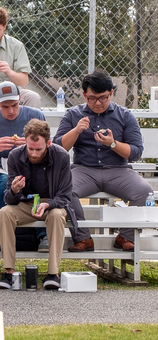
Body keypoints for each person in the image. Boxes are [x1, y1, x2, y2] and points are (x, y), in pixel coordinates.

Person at [53, 69, 152, 252]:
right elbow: (57, 149)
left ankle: (125, 237)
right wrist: (76, 131)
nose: (97, 103)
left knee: (144, 190)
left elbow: (136, 152)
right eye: (92, 98)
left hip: (118, 169)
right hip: (84, 169)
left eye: (103, 98)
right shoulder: (73, 115)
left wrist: (113, 144)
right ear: (84, 95)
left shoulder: (124, 115)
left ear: (111, 94)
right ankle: (83, 238)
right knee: (64, 189)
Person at [0, 119, 76, 291]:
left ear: (48, 143)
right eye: (30, 148)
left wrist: (48, 205)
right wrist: (15, 191)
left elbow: (65, 196)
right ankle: (9, 273)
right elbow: (9, 199)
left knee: (56, 216)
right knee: (4, 213)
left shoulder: (61, 156)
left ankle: (53, 274)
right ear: (25, 141)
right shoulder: (15, 155)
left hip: (52, 203)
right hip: (26, 203)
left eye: (38, 149)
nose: (34, 153)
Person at [0, 81, 47, 251]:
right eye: (5, 106)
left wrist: (31, 147)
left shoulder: (35, 115)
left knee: (35, 182)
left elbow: (47, 150)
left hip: (31, 164)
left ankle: (43, 234)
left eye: (14, 105)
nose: (11, 111)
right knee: (4, 180)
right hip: (0, 167)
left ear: (20, 99)